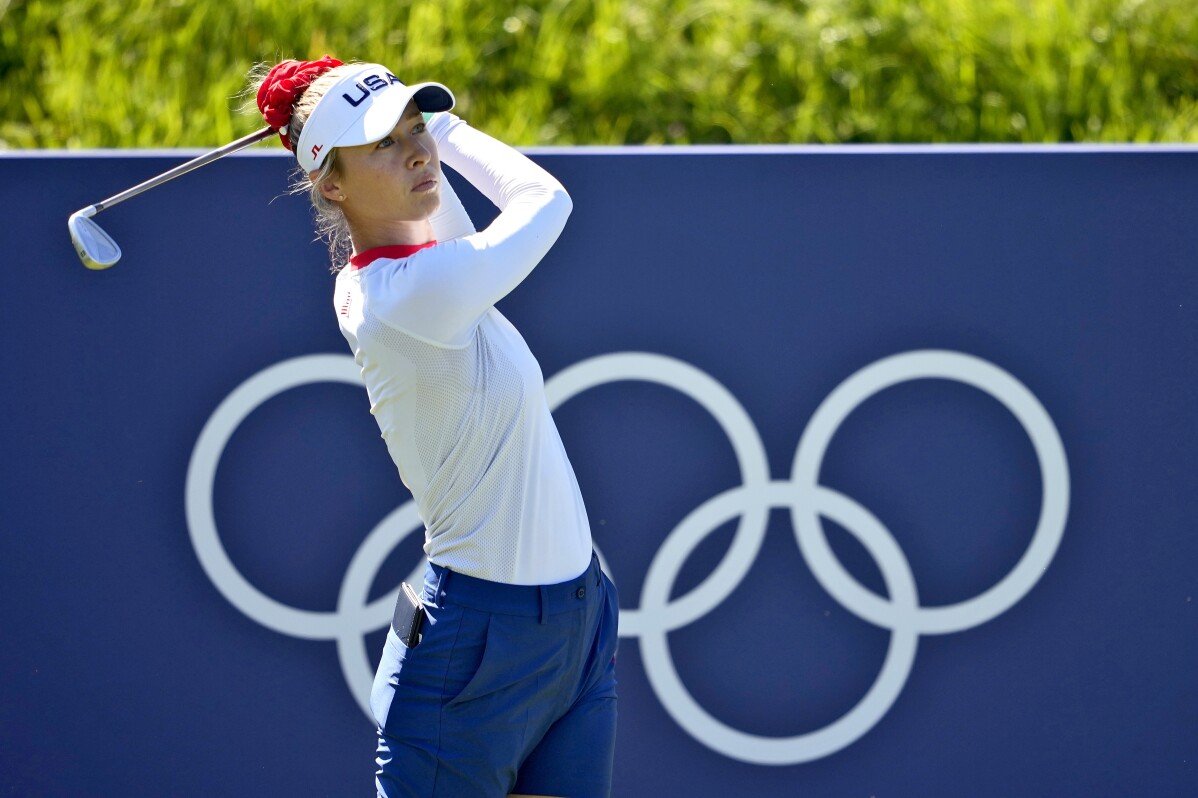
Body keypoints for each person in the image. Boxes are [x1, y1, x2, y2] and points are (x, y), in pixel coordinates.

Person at [250, 56, 619, 797]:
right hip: (475, 646)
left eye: (417, 127)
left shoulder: (421, 264)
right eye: (383, 142)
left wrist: (403, 126)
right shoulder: (404, 294)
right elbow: (544, 200)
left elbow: (441, 215)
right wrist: (445, 127)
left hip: (577, 619)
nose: (416, 150)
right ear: (330, 183)